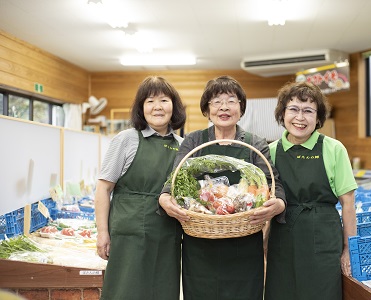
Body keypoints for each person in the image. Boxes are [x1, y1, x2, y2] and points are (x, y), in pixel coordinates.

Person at [159, 75, 286, 300]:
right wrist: (165, 200)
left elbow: (273, 185)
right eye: (216, 101)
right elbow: (173, 183)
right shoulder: (194, 141)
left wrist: (276, 205)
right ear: (207, 110)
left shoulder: (255, 143)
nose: (224, 107)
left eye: (231, 100)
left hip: (244, 243)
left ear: (241, 108)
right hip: (200, 244)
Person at [94, 76, 187, 300]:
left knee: (162, 291)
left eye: (164, 100)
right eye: (150, 101)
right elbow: (103, 189)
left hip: (168, 235)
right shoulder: (127, 140)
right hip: (129, 235)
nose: (157, 107)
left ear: (173, 106)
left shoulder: (183, 146)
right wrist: (102, 233)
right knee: (126, 291)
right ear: (141, 108)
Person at [264, 81, 357, 300]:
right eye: (293, 109)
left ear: (318, 118)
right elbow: (267, 201)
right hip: (282, 240)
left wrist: (348, 249)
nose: (300, 117)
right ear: (282, 113)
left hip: (323, 241)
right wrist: (265, 241)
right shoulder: (271, 151)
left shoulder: (333, 148)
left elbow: (348, 203)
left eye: (308, 111)